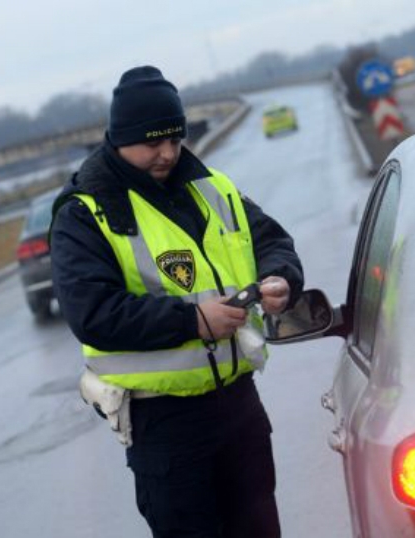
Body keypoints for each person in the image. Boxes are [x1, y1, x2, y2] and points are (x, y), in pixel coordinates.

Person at [50, 65, 303, 538]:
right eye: (152, 143)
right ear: (120, 139)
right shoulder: (85, 213)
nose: (167, 153)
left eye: (175, 139)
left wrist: (279, 277)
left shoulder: (211, 187)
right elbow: (93, 314)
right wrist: (192, 322)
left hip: (239, 409)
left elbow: (272, 239)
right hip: (164, 426)